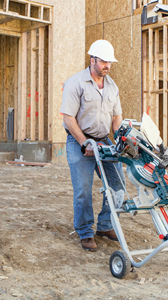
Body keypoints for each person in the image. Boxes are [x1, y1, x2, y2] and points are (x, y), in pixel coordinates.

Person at [60, 40, 125, 251]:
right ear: (93, 60)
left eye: (109, 62)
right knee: (83, 190)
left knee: (117, 185)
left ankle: (105, 225)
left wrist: (122, 140)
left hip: (104, 140)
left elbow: (116, 118)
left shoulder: (112, 86)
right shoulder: (75, 83)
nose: (107, 65)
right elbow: (68, 117)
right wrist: (84, 142)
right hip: (79, 140)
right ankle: (85, 231)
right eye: (104, 61)